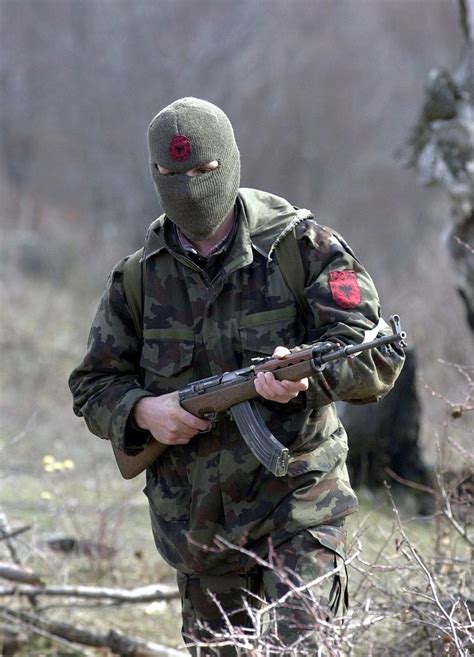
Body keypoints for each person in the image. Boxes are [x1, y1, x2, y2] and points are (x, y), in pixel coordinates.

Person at [69, 97, 404, 655]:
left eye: (203, 171)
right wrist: (145, 412)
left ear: (230, 162)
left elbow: (376, 356)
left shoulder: (301, 247)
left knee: (305, 648)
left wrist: (305, 380)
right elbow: (92, 385)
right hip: (199, 531)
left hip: (299, 510)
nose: (189, 186)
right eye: (171, 174)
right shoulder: (138, 278)